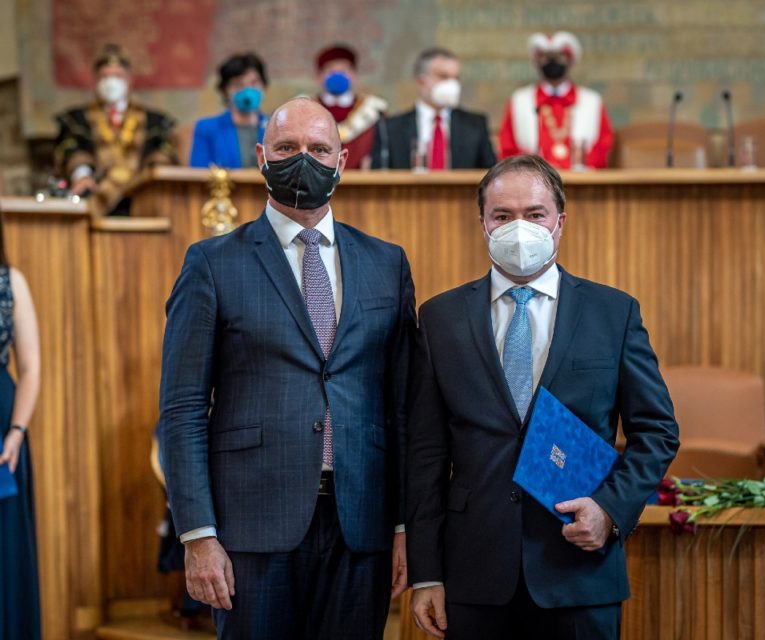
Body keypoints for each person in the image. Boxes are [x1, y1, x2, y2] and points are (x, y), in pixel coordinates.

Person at [159, 97, 416, 639]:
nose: (303, 159)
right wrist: (197, 534)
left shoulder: (386, 263)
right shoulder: (212, 263)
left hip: (360, 524)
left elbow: (403, 407)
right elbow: (182, 409)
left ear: (341, 161)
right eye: (287, 148)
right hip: (250, 528)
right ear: (262, 156)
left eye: (318, 149)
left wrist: (403, 524)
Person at [406, 155, 679, 639]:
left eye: (534, 214)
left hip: (578, 569)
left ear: (560, 222)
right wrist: (426, 571)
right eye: (502, 216)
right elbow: (426, 452)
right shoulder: (440, 318)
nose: (520, 228)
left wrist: (611, 510)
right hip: (473, 572)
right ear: (483, 224)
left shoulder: (613, 313)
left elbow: (657, 432)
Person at [54, 43, 177, 215]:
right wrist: (82, 175)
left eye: (118, 76)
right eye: (105, 76)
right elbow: (70, 148)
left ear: (129, 79)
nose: (111, 83)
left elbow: (164, 154)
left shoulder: (156, 121)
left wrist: (150, 178)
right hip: (96, 194)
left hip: (141, 195)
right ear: (96, 80)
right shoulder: (76, 120)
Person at [0, 220, 42, 639]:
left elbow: (30, 368)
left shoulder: (10, 282)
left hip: (2, 430)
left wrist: (15, 431)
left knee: (5, 548)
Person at [498, 32, 614, 169]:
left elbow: (603, 146)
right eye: (546, 57)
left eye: (559, 57)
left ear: (570, 60)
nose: (552, 62)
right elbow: (507, 147)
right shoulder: (520, 100)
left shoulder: (591, 101)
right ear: (537, 62)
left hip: (580, 179)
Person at [371, 48, 496, 170]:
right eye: (443, 77)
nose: (452, 85)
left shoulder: (475, 126)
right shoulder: (390, 129)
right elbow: (379, 176)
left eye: (456, 78)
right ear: (421, 80)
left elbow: (491, 174)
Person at [190, 53, 270, 169]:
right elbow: (197, 174)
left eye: (254, 83)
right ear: (225, 91)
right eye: (238, 84)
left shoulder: (275, 128)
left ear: (263, 86)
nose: (248, 90)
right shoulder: (207, 128)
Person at [314, 44, 387, 170]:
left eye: (343, 71)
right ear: (319, 77)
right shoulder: (306, 110)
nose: (337, 76)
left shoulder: (373, 110)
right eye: (331, 72)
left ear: (354, 75)